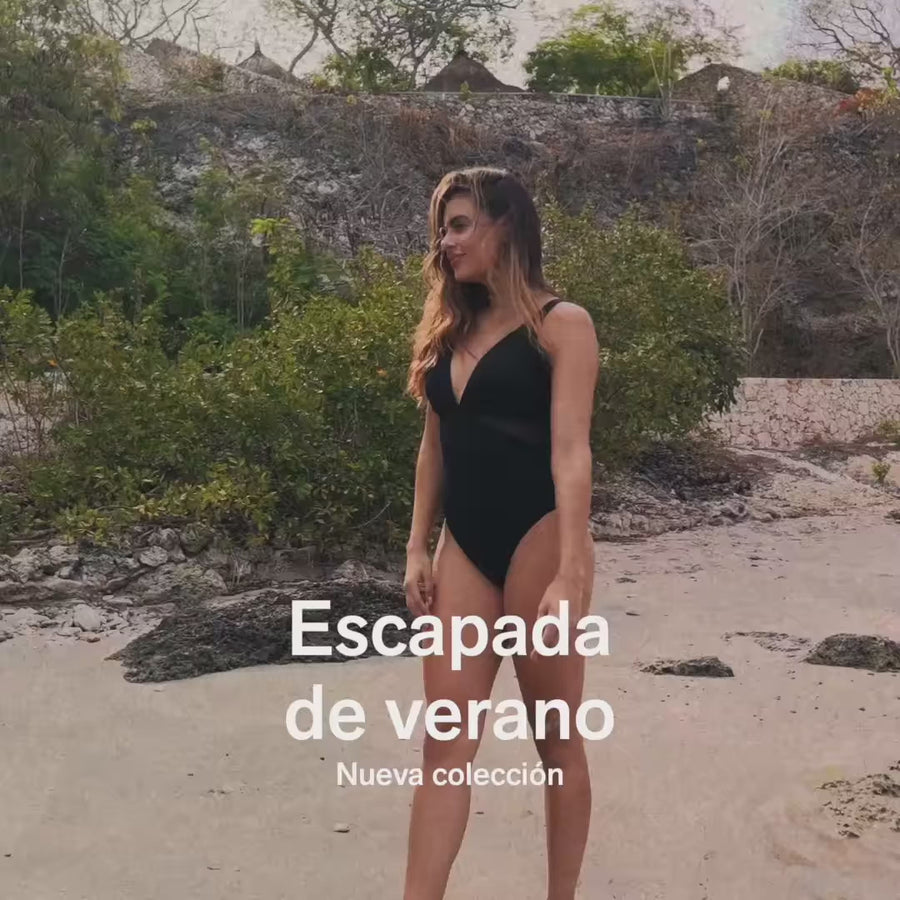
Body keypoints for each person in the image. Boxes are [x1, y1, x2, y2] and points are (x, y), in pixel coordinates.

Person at [402, 167, 600, 900]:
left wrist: (571, 573)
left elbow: (571, 452)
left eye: (460, 225)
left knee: (557, 741)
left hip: (539, 542)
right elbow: (434, 447)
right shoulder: (449, 329)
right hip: (464, 547)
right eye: (442, 230)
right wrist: (417, 544)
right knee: (444, 744)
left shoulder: (562, 325)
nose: (446, 243)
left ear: (506, 224)